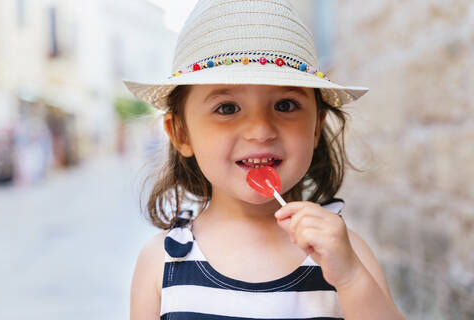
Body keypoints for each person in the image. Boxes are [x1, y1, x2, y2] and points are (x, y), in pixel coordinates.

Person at [125, 0, 405, 319]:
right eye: (227, 108)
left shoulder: (344, 253)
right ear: (181, 133)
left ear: (317, 127)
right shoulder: (161, 263)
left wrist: (351, 278)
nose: (260, 131)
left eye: (285, 105)